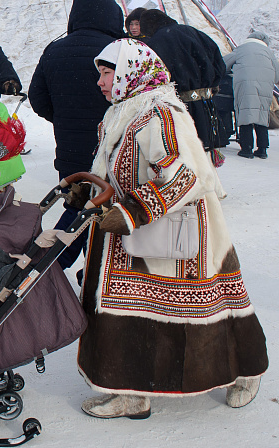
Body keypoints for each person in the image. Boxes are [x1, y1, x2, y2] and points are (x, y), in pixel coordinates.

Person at [75, 38, 268, 419]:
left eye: (107, 72)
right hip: (133, 233)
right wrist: (91, 187)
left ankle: (245, 371)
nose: (100, 81)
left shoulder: (160, 114)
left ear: (132, 71)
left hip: (180, 231)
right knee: (126, 310)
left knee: (210, 304)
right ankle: (131, 391)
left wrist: (134, 211)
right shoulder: (125, 111)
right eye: (100, 73)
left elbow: (184, 177)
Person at [28, 0, 125, 270]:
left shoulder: (55, 50)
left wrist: (63, 117)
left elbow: (37, 97)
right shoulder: (119, 52)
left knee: (79, 210)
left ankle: (52, 268)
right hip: (114, 151)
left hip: (71, 152)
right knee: (109, 215)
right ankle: (75, 273)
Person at [141, 9, 227, 158]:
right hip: (206, 107)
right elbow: (220, 66)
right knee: (204, 157)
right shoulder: (194, 32)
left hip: (178, 110)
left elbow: (153, 78)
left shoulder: (157, 41)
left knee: (183, 157)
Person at [224, 30, 279, 159]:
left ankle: (247, 149)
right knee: (262, 115)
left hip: (245, 85)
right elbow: (277, 75)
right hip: (266, 86)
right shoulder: (269, 53)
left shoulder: (241, 49)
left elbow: (224, 63)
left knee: (246, 114)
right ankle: (262, 150)